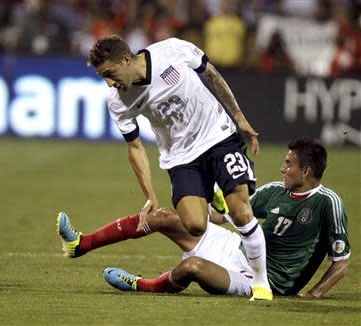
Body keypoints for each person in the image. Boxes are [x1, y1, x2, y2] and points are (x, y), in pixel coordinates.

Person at [87, 34, 271, 300]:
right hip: (181, 157)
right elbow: (135, 147)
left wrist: (239, 116)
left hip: (218, 136)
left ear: (126, 59)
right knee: (195, 225)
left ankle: (261, 284)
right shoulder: (118, 101)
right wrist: (150, 195)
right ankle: (215, 200)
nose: (110, 82)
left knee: (241, 212)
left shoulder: (172, 50)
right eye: (103, 77)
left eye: (110, 73)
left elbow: (212, 75)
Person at [57, 138, 350, 298]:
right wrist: (212, 208)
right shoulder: (274, 191)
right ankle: (80, 244)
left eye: (289, 164)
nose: (282, 168)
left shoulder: (328, 203)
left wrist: (314, 294)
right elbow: (224, 220)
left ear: (307, 171)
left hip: (261, 280)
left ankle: (142, 285)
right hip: (236, 249)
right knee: (163, 217)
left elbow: (341, 263)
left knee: (192, 267)